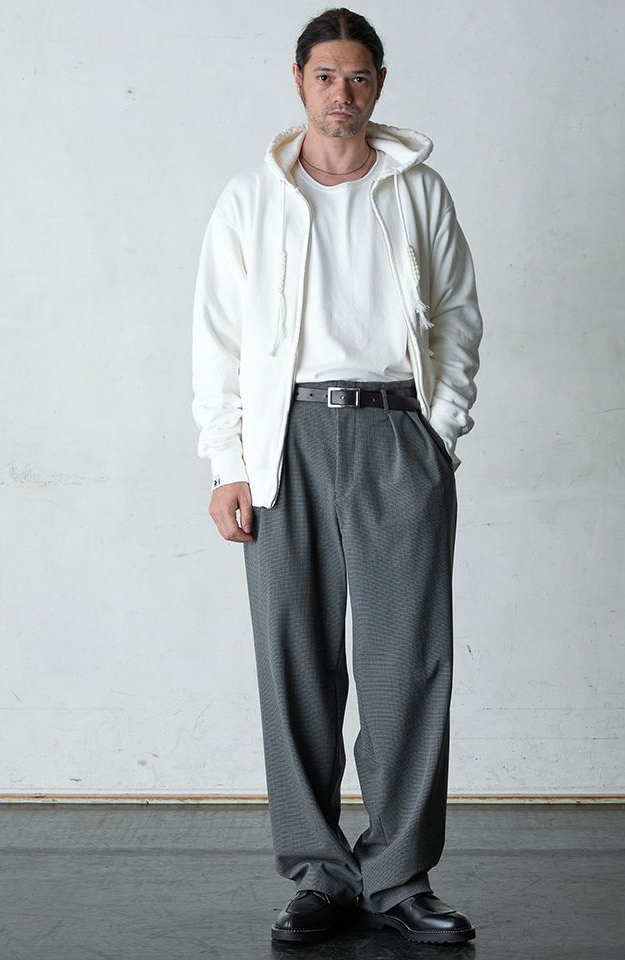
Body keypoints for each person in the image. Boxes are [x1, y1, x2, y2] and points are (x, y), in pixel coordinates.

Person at [191, 7, 483, 946]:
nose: (341, 94)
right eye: (325, 76)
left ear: (379, 85)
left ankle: (399, 876)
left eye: (358, 77)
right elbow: (217, 342)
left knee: (408, 664)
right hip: (286, 442)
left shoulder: (417, 190)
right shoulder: (251, 199)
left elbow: (457, 317)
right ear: (298, 82)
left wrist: (438, 432)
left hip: (397, 432)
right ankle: (320, 875)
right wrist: (229, 464)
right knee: (295, 663)